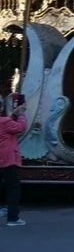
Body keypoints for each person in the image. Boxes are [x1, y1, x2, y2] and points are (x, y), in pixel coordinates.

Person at [0, 91, 25, 227]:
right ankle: (13, 218)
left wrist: (14, 115)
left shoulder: (5, 122)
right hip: (8, 159)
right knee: (13, 189)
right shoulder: (5, 122)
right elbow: (21, 127)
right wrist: (21, 115)